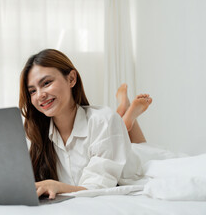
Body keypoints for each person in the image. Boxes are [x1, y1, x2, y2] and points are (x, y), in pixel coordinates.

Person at [19, 49, 152, 199]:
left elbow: (96, 187)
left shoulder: (103, 121)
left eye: (47, 83)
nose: (40, 95)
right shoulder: (36, 134)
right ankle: (125, 112)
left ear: (71, 79)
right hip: (112, 142)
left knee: (138, 145)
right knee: (120, 124)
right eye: (32, 91)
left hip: (135, 163)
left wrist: (56, 185)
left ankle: (125, 111)